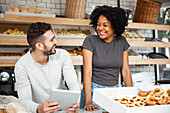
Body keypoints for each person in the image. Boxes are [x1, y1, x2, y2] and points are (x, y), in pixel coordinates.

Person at [14, 22, 80, 113]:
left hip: (62, 110)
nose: (56, 42)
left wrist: (76, 103)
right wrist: (39, 108)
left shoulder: (63, 55)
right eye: (52, 40)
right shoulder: (22, 66)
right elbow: (25, 100)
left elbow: (74, 86)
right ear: (39, 46)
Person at [80, 5, 133, 111]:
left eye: (105, 25)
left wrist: (131, 95)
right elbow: (87, 72)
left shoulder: (121, 41)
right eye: (98, 25)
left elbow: (126, 70)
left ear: (114, 26)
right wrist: (88, 101)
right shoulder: (90, 41)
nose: (100, 28)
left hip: (115, 91)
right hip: (94, 91)